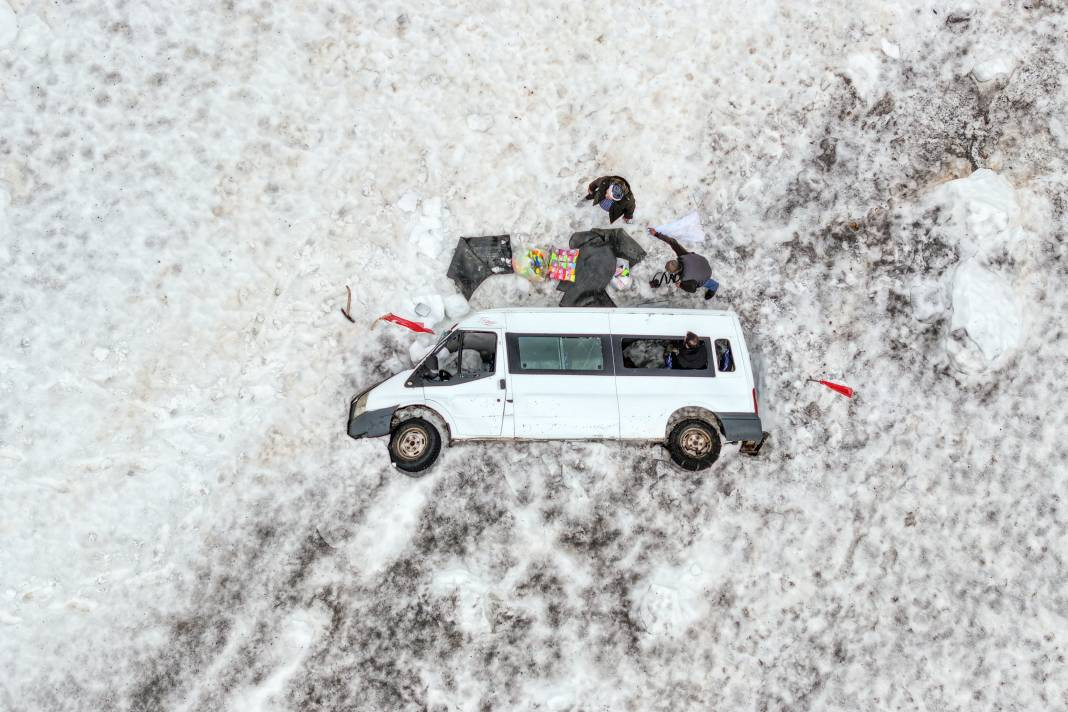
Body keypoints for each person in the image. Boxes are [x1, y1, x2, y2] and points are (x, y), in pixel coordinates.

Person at [647, 227, 719, 300]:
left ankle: (714, 286)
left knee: (703, 281)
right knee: (692, 264)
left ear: (675, 272)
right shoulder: (683, 256)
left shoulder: (686, 278)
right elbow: (672, 242)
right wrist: (656, 234)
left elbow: (693, 289)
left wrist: (681, 285)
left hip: (706, 273)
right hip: (701, 261)